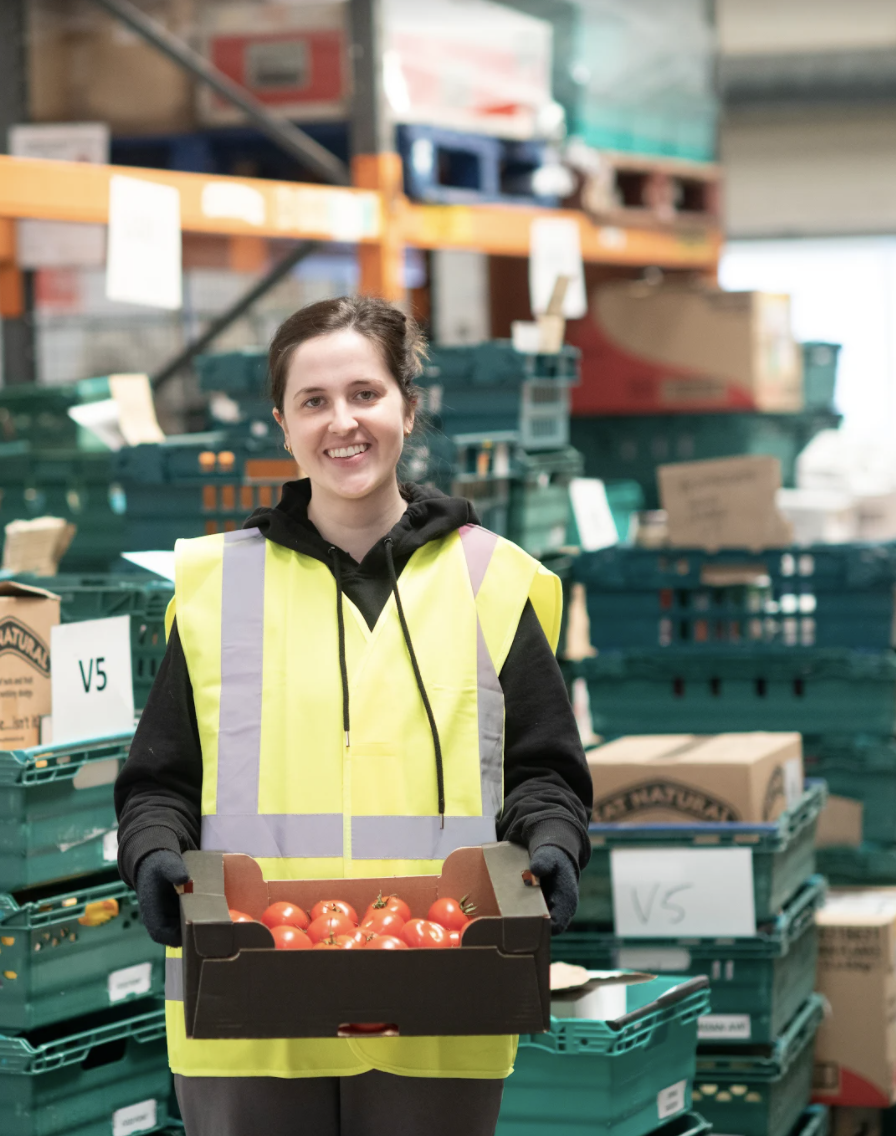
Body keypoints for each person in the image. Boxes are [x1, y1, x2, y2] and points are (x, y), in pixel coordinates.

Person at [113, 295, 592, 1136]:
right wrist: (152, 853)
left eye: (366, 394)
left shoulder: (494, 579)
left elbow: (543, 772)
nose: (344, 422)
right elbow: (160, 782)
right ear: (283, 425)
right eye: (314, 401)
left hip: (443, 992)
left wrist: (552, 846)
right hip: (248, 1000)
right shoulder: (219, 586)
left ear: (408, 406)